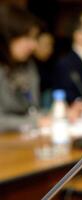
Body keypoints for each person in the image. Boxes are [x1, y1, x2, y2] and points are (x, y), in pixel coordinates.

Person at [0, 4, 49, 132]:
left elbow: (33, 108)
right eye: (27, 38)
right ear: (7, 36)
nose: (33, 45)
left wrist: (57, 114)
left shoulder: (27, 65)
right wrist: (36, 121)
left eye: (34, 38)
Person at [33, 30, 55, 109]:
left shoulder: (51, 63)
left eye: (51, 45)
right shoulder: (29, 67)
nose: (50, 49)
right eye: (46, 45)